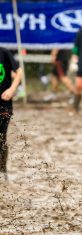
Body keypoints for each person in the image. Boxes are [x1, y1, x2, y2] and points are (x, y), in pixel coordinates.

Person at [0, 47, 22, 181]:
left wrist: (11, 89)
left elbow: (19, 73)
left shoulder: (4, 53)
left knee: (1, 138)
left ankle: (2, 170)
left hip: (4, 102)